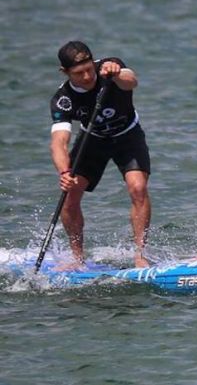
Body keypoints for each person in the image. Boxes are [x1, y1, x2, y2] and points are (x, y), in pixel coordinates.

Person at [49, 41, 152, 268]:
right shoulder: (63, 99)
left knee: (138, 187)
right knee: (70, 195)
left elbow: (131, 81)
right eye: (78, 73)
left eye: (89, 69)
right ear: (65, 72)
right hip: (92, 139)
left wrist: (116, 74)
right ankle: (77, 258)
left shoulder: (109, 68)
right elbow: (59, 142)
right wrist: (64, 172)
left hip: (127, 135)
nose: (87, 76)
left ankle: (140, 255)